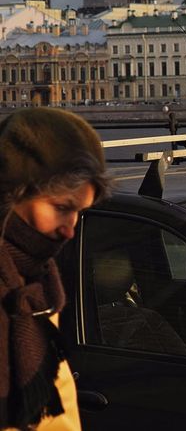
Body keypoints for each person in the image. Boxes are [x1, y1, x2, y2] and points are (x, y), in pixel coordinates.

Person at [0, 107, 111, 430]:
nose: (70, 229)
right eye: (62, 208)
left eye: (79, 212)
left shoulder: (37, 282)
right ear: (12, 193)